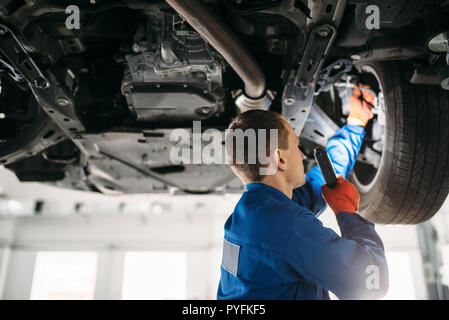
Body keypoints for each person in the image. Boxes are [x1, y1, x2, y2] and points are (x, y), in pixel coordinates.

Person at [217, 85, 389, 300]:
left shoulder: (252, 212)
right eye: (297, 147)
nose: (302, 156)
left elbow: (318, 184)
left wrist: (355, 124)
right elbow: (372, 282)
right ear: (279, 159)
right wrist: (348, 214)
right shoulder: (284, 224)